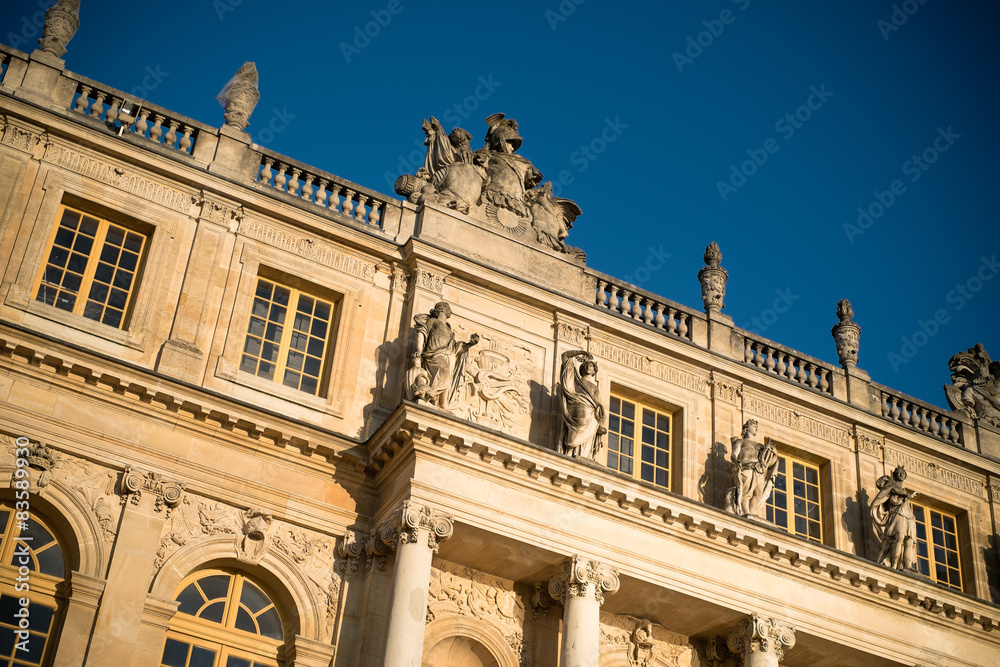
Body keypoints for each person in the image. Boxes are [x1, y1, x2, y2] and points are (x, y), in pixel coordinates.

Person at [409, 302, 479, 409]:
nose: (451, 312)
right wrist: (419, 350)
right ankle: (430, 395)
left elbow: (455, 347)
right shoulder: (433, 321)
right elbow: (422, 332)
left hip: (449, 354)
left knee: (448, 378)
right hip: (434, 353)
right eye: (449, 309)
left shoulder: (448, 327)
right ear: (442, 309)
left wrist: (470, 344)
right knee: (444, 369)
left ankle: (443, 403)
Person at [558, 350, 606, 459]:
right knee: (579, 422)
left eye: (591, 366)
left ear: (594, 371)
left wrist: (600, 412)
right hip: (577, 407)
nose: (588, 367)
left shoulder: (594, 387)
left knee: (595, 418)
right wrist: (579, 352)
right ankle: (570, 449)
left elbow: (596, 402)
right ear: (582, 368)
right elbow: (564, 356)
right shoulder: (575, 380)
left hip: (590, 411)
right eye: (586, 365)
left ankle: (583, 453)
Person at [870, 466, 918, 571]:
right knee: (899, 538)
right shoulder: (892, 485)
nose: (901, 474)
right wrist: (906, 494)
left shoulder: (902, 489)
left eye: (903, 473)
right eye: (899, 473)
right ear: (895, 475)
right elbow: (893, 492)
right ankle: (894, 565)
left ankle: (907, 566)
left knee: (909, 541)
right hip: (898, 513)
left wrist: (906, 494)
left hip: (908, 515)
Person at [728, 419, 779, 518]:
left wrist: (774, 453)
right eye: (754, 426)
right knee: (747, 493)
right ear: (747, 428)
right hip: (747, 468)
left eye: (756, 426)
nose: (756, 428)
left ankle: (752, 512)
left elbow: (768, 461)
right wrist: (736, 460)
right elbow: (734, 454)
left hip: (758, 471)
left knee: (758, 493)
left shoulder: (760, 446)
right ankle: (745, 511)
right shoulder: (740, 442)